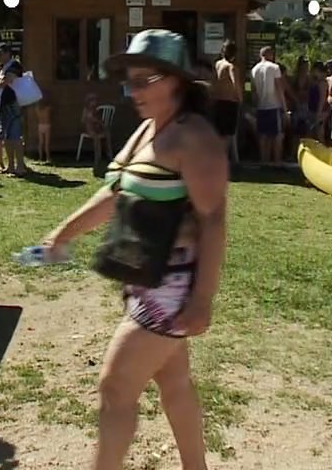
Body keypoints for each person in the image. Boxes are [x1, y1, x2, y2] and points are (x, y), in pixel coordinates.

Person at [40, 29, 227, 470]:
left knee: (116, 386)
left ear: (176, 80)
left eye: (146, 80)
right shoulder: (146, 130)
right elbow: (115, 194)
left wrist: (201, 302)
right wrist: (62, 233)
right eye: (130, 80)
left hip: (172, 287)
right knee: (175, 382)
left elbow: (214, 222)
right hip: (145, 277)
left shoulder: (194, 139)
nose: (133, 91)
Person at [0, 44, 28, 175]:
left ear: (8, 53)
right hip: (3, 105)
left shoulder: (14, 66)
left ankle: (20, 166)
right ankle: (10, 166)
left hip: (12, 104)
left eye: (1, 53)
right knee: (6, 137)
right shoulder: (3, 68)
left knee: (15, 136)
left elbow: (5, 82)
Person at [250, 46, 285, 164]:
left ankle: (264, 161)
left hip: (261, 106)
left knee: (263, 136)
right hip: (273, 105)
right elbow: (279, 88)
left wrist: (255, 107)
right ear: (270, 54)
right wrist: (285, 108)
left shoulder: (254, 70)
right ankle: (277, 162)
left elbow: (253, 92)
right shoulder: (275, 67)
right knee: (277, 136)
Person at [210, 40, 243, 163]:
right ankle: (222, 159)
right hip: (229, 102)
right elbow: (236, 84)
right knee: (228, 134)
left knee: (219, 132)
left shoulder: (217, 64)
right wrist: (240, 98)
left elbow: (213, 82)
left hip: (218, 101)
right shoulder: (231, 67)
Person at [36, 99, 53, 163]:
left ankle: (40, 158)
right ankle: (48, 158)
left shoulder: (37, 109)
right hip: (47, 125)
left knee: (40, 143)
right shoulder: (47, 108)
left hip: (40, 125)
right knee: (47, 143)